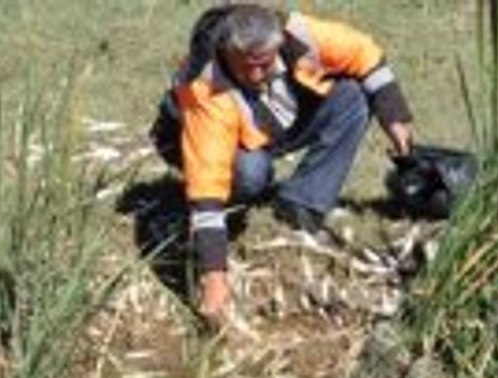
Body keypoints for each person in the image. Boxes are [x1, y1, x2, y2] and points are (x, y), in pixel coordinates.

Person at [174, 3, 414, 325]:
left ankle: (301, 205)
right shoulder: (205, 87)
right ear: (228, 53)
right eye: (247, 67)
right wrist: (214, 276)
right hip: (227, 145)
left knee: (353, 97)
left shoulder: (301, 36)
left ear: (278, 45)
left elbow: (365, 54)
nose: (257, 76)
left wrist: (394, 116)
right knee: (251, 172)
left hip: (276, 120)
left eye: (265, 64)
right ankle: (241, 205)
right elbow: (207, 184)